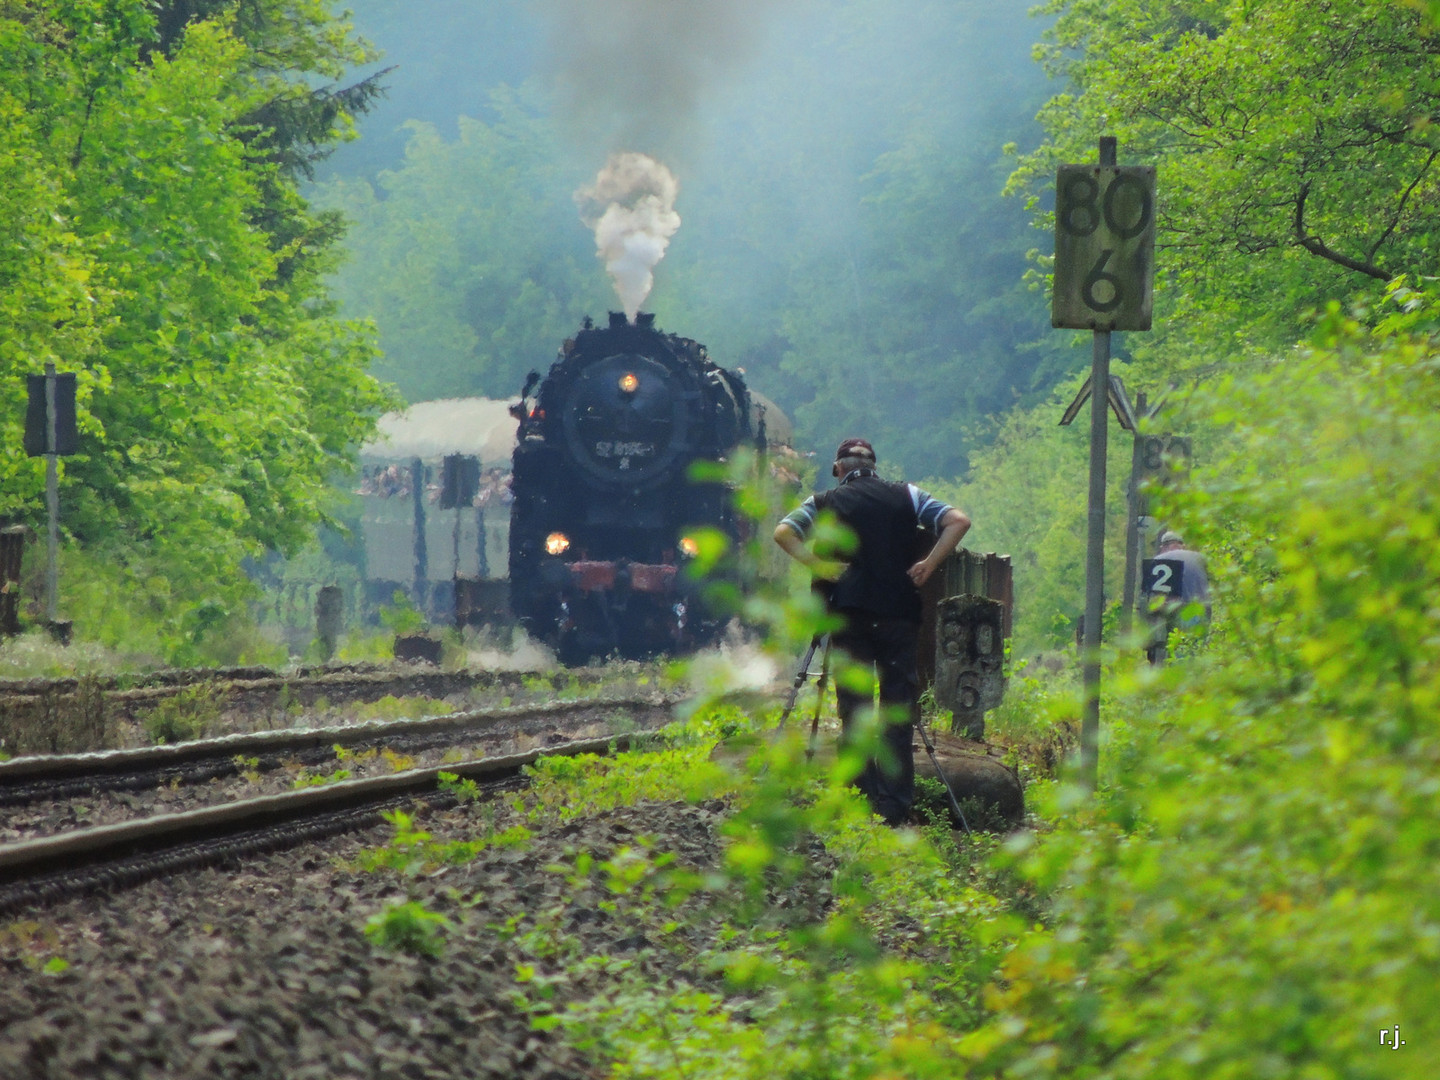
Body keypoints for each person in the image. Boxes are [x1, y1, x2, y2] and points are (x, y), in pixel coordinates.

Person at [773, 437, 970, 826]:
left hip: (849, 617)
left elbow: (783, 533)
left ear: (838, 469)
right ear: (875, 467)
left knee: (856, 711)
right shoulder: (908, 495)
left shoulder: (824, 501)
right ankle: (895, 809)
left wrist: (820, 565)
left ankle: (860, 804)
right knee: (897, 711)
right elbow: (958, 521)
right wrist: (929, 563)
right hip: (899, 616)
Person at [1145, 529, 1210, 662]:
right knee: (1197, 653)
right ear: (1182, 545)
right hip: (1201, 610)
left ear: (1163, 547)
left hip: (1176, 610)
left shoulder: (1158, 560)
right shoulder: (1199, 558)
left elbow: (1153, 599)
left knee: (1179, 657)